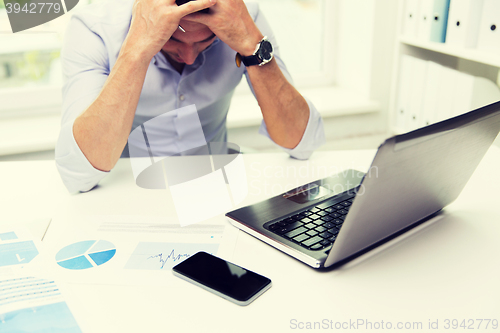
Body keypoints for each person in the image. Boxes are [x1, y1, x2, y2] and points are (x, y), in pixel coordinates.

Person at [55, 0, 325, 193]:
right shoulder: (94, 28)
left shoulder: (242, 17)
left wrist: (251, 45)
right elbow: (78, 176)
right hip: (128, 189)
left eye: (205, 42)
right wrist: (138, 48)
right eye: (172, 40)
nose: (189, 57)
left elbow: (303, 143)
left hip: (216, 187)